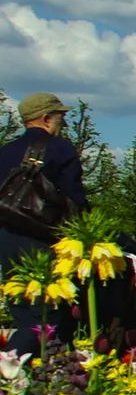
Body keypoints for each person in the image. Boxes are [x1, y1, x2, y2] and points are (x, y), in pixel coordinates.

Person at [0, 94, 87, 356]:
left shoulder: (4, 151)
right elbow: (75, 199)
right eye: (61, 116)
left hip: (7, 239)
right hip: (45, 241)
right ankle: (10, 369)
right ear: (46, 118)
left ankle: (36, 384)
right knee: (49, 317)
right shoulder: (60, 149)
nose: (64, 121)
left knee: (23, 311)